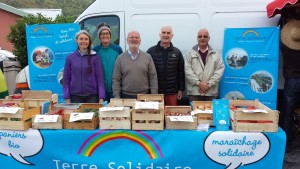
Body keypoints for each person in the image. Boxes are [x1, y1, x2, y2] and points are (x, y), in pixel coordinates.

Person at [112, 30, 158, 99]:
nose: (134, 39)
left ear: (140, 41)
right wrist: (117, 97)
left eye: (136, 37)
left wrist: (154, 96)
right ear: (127, 40)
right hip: (126, 97)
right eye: (131, 37)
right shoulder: (120, 58)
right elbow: (116, 79)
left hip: (144, 96)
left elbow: (153, 77)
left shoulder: (148, 57)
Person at [63, 30, 105, 103]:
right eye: (81, 39)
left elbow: (100, 78)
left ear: (89, 41)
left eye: (86, 39)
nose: (84, 41)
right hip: (75, 96)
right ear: (77, 40)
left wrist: (101, 97)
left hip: (92, 96)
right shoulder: (70, 58)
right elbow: (66, 79)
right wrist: (67, 97)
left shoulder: (95, 56)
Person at [147, 25, 185, 105]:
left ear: (172, 35)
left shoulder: (177, 52)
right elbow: (146, 73)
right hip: (156, 92)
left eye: (168, 33)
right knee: (157, 116)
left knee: (171, 115)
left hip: (172, 92)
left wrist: (181, 89)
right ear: (160, 35)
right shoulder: (151, 51)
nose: (166, 35)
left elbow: (181, 72)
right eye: (163, 32)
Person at [184, 28, 224, 101]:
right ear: (197, 38)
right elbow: (187, 71)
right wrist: (199, 83)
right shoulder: (189, 54)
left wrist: (209, 84)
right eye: (200, 36)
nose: (202, 38)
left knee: (210, 112)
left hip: (210, 92)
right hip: (195, 92)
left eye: (205, 36)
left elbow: (219, 71)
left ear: (209, 38)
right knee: (195, 112)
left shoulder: (216, 54)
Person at [279, 19, 300, 151]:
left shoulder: (285, 47)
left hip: (291, 81)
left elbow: (279, 36)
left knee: (287, 112)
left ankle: (287, 142)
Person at [93, 23, 123, 102]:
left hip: (115, 88)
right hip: (100, 89)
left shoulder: (117, 49)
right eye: (102, 34)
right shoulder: (95, 50)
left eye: (107, 33)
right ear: (99, 36)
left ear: (110, 35)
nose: (105, 36)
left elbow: (122, 67)